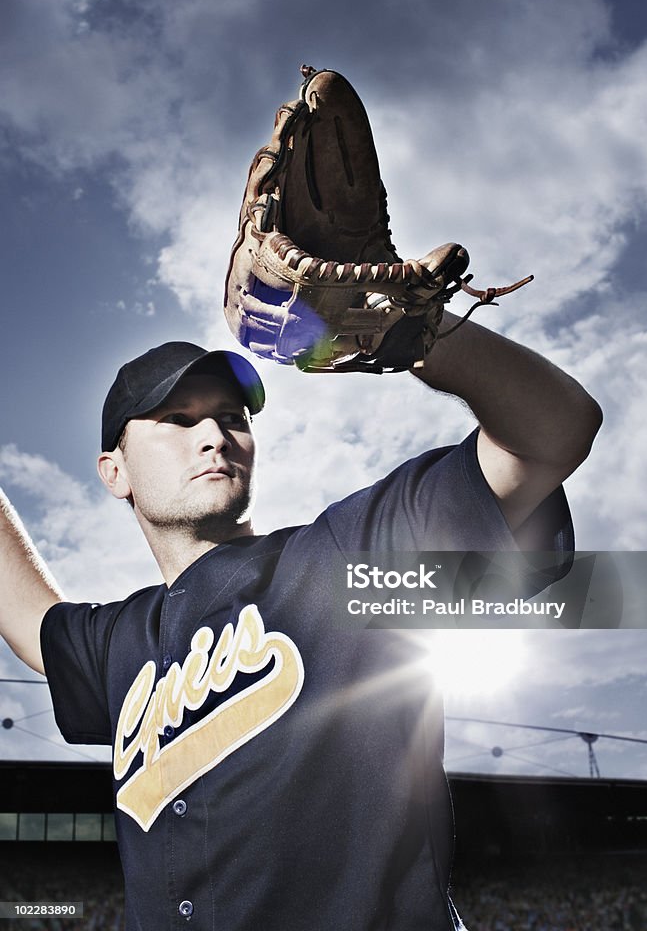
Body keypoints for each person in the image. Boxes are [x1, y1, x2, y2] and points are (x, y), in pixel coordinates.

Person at [0, 311, 601, 930]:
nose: (214, 434)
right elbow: (25, 612)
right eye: (177, 420)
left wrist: (412, 327)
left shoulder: (344, 557)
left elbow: (552, 433)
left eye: (232, 419)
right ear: (114, 471)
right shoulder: (118, 645)